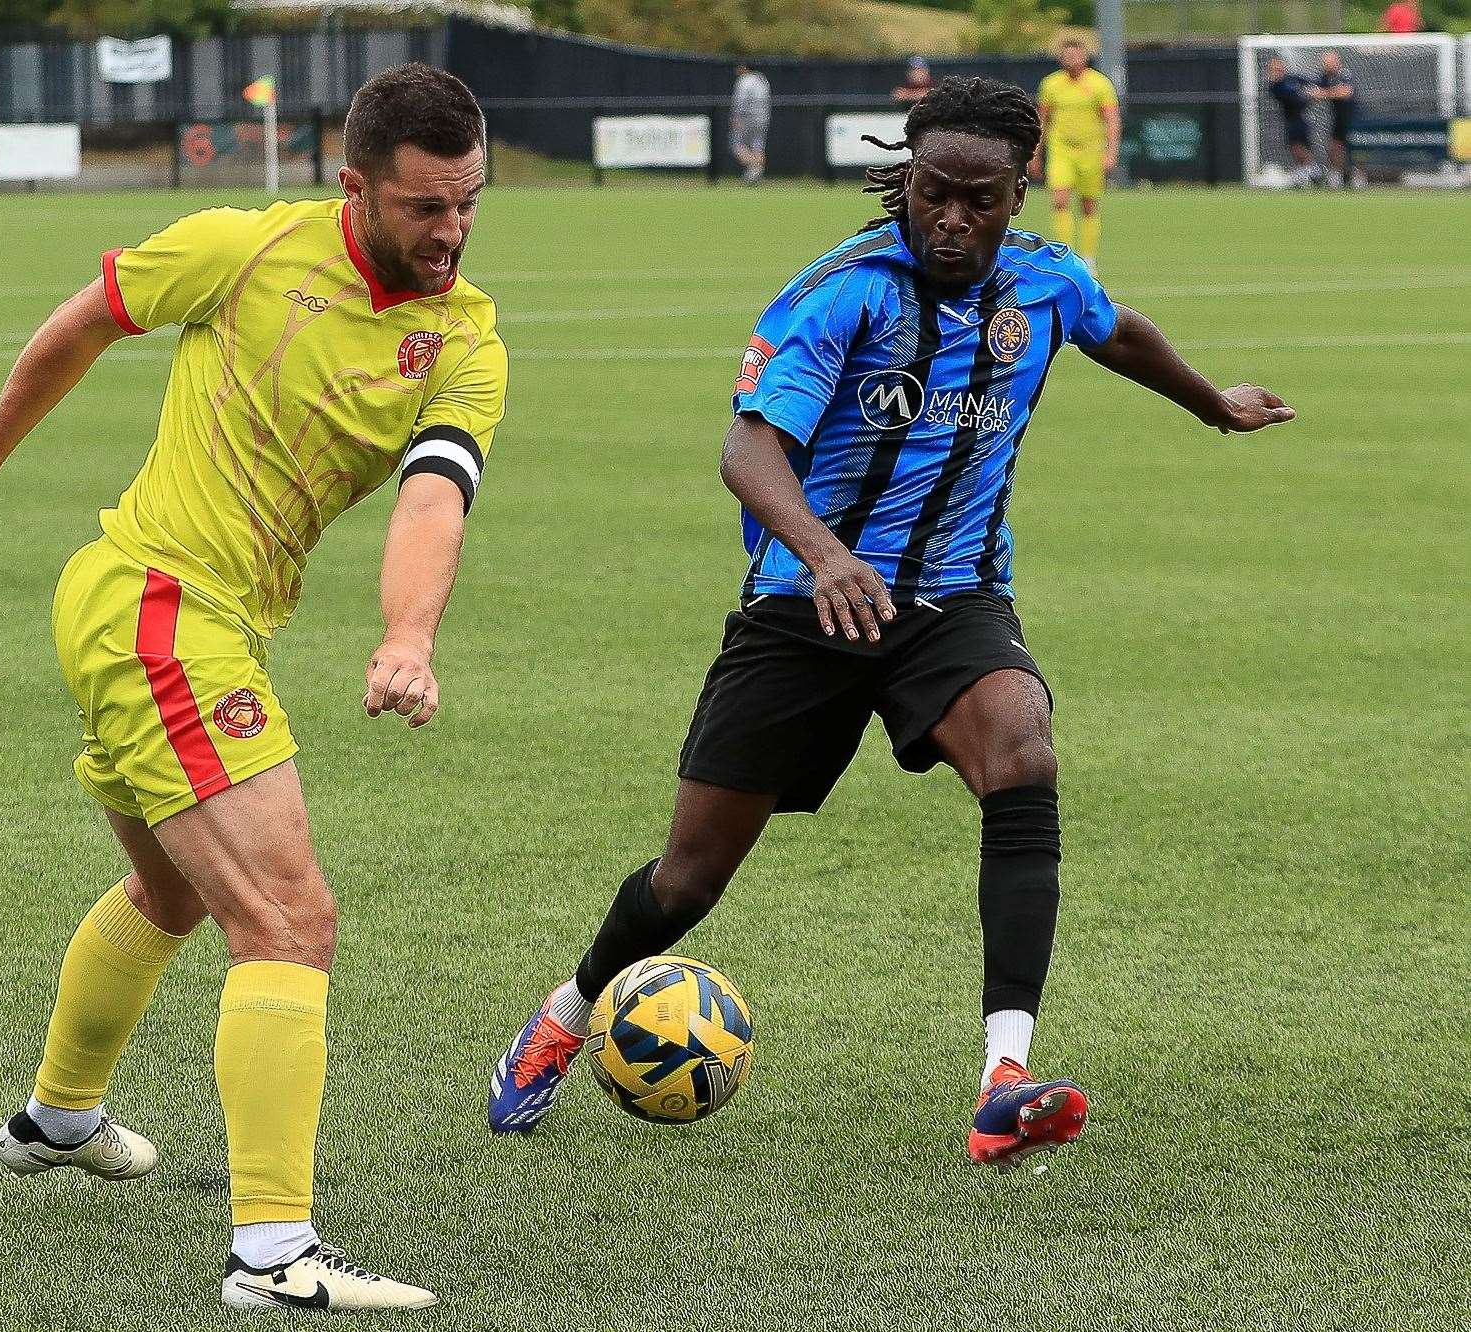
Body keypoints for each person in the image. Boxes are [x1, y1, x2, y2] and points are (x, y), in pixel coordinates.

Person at [488, 77, 1293, 1169]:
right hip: (800, 608)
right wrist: (824, 553)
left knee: (1022, 752)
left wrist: (1213, 404)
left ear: (1017, 193)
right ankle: (566, 1014)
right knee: (687, 880)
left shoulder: (1044, 280)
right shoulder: (844, 292)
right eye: (930, 193)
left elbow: (1116, 330)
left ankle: (1001, 1081)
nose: (950, 218)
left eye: (978, 199)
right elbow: (746, 448)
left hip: (952, 599)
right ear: (900, 179)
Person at [0, 62, 505, 1313]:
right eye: (423, 207)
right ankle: (272, 1256)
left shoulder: (467, 338)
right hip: (159, 610)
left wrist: (407, 632)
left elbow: (436, 488)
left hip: (170, 617)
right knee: (287, 922)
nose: (447, 232)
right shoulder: (244, 247)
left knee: (169, 889)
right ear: (353, 188)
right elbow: (89, 316)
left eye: (468, 203)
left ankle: (55, 1121)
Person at [1031, 40, 1119, 269]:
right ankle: (1065, 256)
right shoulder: (1051, 84)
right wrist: (1036, 154)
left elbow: (1111, 120)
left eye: (1075, 55)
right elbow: (1043, 121)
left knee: (1088, 203)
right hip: (1062, 150)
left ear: (1085, 57)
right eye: (1066, 55)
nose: (1070, 59)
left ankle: (1088, 259)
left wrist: (1111, 152)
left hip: (1091, 150)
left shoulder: (1099, 84)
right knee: (1060, 199)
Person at [1266, 55, 1320, 186]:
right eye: (1273, 68)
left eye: (1278, 66)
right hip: (1291, 119)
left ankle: (1312, 171)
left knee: (1300, 146)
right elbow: (1293, 99)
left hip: (1303, 118)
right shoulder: (1275, 86)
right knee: (1295, 147)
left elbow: (1311, 84)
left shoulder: (1293, 78)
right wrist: (1309, 97)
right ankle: (1309, 172)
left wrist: (1315, 92)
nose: (1276, 70)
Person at [1314, 49, 1358, 187]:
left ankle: (1357, 176)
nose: (1326, 65)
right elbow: (1315, 91)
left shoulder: (1344, 74)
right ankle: (1337, 175)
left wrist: (1323, 93)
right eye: (1324, 63)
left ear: (1336, 62)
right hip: (1338, 118)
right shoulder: (1325, 77)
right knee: (1334, 148)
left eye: (1329, 62)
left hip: (1353, 117)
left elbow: (1346, 92)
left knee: (1355, 148)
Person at [731, 62, 772, 185]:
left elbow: (740, 100)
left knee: (736, 145)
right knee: (758, 146)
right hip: (763, 117)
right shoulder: (762, 79)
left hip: (747, 117)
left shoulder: (744, 80)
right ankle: (756, 172)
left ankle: (755, 168)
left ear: (744, 67)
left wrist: (736, 116)